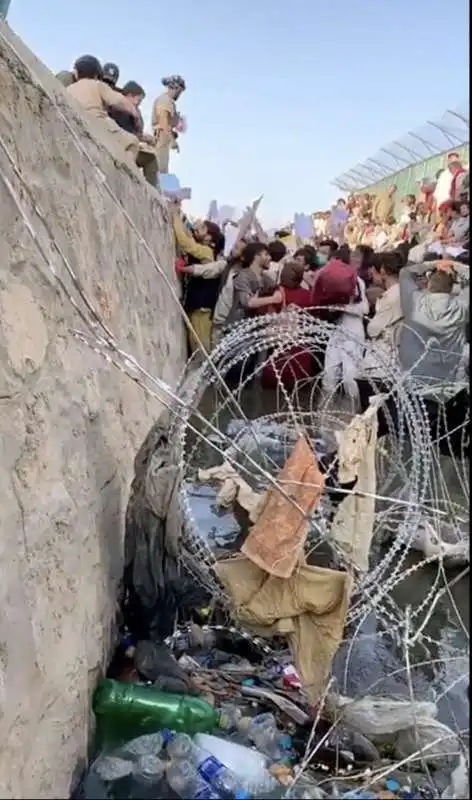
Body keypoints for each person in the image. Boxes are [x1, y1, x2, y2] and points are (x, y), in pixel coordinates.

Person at [397, 258, 469, 454]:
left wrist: (433, 263)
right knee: (439, 449)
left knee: (409, 445)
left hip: (412, 385)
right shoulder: (461, 308)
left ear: (428, 285)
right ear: (452, 288)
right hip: (444, 389)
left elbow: (405, 273)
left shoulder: (414, 302)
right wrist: (456, 266)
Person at [66, 55, 140, 161]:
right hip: (96, 122)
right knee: (133, 143)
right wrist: (135, 113)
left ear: (77, 73)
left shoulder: (68, 89)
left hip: (74, 122)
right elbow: (118, 101)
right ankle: (123, 172)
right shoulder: (98, 85)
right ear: (97, 74)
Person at [261, 262, 315, 388]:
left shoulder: (278, 292)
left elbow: (267, 316)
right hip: (301, 348)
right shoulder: (307, 295)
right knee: (298, 391)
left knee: (274, 390)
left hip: (280, 346)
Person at [151, 75, 186, 174]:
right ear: (176, 87)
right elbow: (163, 121)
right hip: (161, 138)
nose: (180, 94)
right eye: (180, 91)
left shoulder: (167, 101)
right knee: (159, 171)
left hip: (163, 139)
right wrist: (172, 140)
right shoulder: (165, 100)